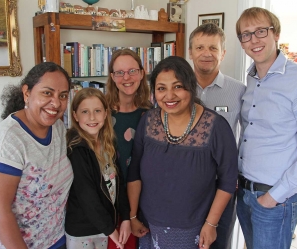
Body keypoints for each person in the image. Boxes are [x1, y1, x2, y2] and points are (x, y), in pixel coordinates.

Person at [235, 7, 297, 249]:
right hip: (244, 193)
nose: (254, 40)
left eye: (260, 31)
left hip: (275, 198)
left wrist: (272, 198)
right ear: (242, 43)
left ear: (276, 34)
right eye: (246, 34)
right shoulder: (252, 79)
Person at [127, 56, 238, 249]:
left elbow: (228, 180)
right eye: (161, 88)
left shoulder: (216, 126)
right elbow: (134, 172)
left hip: (194, 228)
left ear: (190, 86)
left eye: (178, 86)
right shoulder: (148, 121)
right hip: (148, 225)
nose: (169, 96)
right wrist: (133, 215)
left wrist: (211, 224)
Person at [0, 62, 73, 249]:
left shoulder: (58, 128)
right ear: (27, 93)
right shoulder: (6, 141)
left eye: (63, 96)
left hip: (53, 238)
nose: (56, 103)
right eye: (47, 93)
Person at [189, 23, 246, 249]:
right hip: (187, 183)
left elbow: (248, 136)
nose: (206, 53)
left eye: (213, 48)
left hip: (223, 185)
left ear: (223, 53)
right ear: (190, 52)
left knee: (219, 242)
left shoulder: (240, 91)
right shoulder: (178, 89)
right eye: (200, 47)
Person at [65, 88, 131, 249]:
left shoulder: (108, 143)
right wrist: (110, 230)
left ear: (105, 113)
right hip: (83, 230)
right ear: (75, 115)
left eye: (97, 111)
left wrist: (127, 217)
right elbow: (87, 196)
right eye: (85, 111)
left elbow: (119, 182)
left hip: (104, 227)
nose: (92, 117)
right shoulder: (77, 149)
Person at [105, 49, 152, 249]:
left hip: (145, 202)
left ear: (142, 73)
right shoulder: (100, 114)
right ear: (112, 77)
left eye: (132, 71)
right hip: (109, 204)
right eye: (120, 72)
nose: (126, 77)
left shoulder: (150, 115)